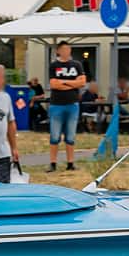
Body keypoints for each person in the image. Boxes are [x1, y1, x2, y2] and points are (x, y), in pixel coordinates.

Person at [45, 42, 85, 170]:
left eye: (68, 49)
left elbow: (82, 82)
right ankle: (52, 163)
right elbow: (53, 84)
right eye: (64, 49)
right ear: (58, 51)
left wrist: (63, 81)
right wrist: (73, 83)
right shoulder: (54, 66)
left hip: (72, 104)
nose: (66, 51)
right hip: (56, 104)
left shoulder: (77, 65)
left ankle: (70, 163)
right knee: (55, 135)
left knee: (70, 135)